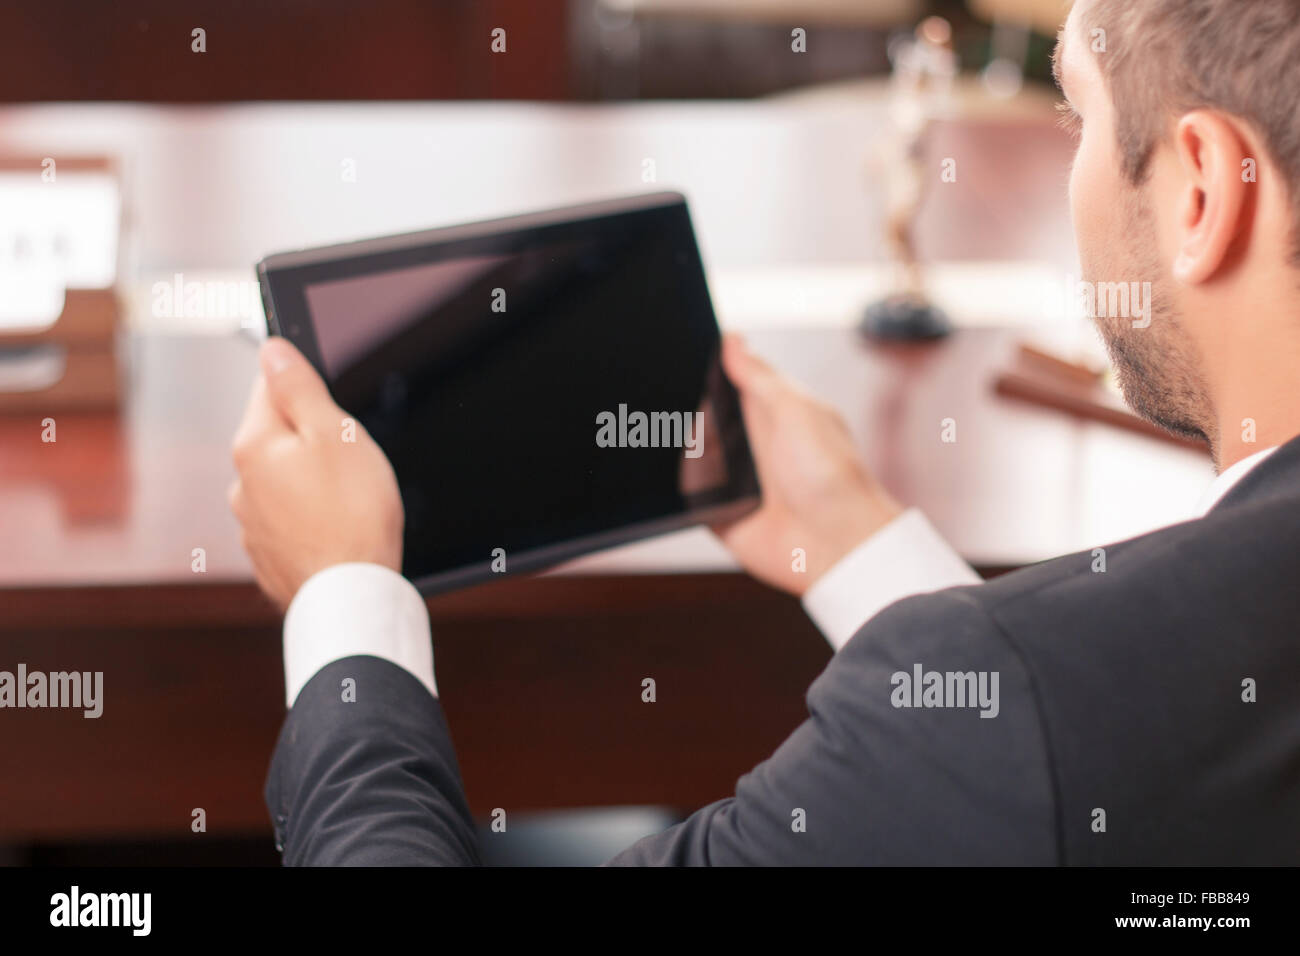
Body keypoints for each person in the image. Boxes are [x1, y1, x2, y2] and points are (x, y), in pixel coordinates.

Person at [230, 0, 1300, 864]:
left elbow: (1038, 733)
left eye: (1076, 117)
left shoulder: (997, 703)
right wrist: (856, 543)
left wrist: (341, 596)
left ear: (1202, 190)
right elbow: (1085, 746)